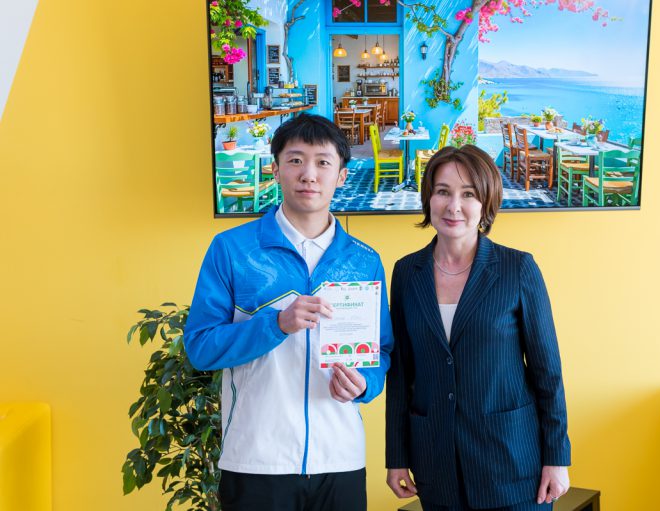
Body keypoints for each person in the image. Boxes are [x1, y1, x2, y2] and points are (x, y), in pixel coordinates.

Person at [184, 113, 393, 511]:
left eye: (323, 162)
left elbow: (381, 351)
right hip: (257, 459)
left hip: (341, 458)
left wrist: (365, 383)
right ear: (276, 170)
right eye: (295, 160)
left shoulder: (364, 260)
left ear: (342, 176)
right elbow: (200, 347)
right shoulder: (232, 249)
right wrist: (277, 323)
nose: (308, 174)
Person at [385, 145, 570, 511]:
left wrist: (557, 457)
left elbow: (547, 373)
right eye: (443, 191)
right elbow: (401, 374)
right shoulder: (406, 272)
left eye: (468, 194)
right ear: (428, 198)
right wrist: (397, 456)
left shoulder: (518, 269)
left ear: (486, 202)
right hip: (436, 464)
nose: (453, 206)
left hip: (512, 464)